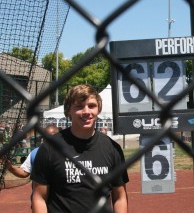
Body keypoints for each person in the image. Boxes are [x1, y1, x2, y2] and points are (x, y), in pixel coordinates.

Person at [31, 84, 129, 213]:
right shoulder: (50, 148)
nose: (86, 112)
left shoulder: (112, 148)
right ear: (68, 110)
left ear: (98, 109)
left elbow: (120, 197)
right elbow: (39, 198)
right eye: (79, 106)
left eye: (92, 106)